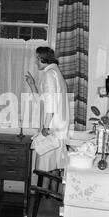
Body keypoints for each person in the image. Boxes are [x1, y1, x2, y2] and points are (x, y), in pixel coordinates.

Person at [25, 46, 70, 189]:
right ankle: (49, 199)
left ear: (43, 58)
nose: (35, 61)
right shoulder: (55, 72)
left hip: (52, 126)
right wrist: (32, 85)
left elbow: (50, 102)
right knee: (54, 164)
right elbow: (43, 101)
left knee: (46, 165)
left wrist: (46, 126)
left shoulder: (49, 74)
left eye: (37, 58)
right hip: (57, 125)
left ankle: (45, 197)